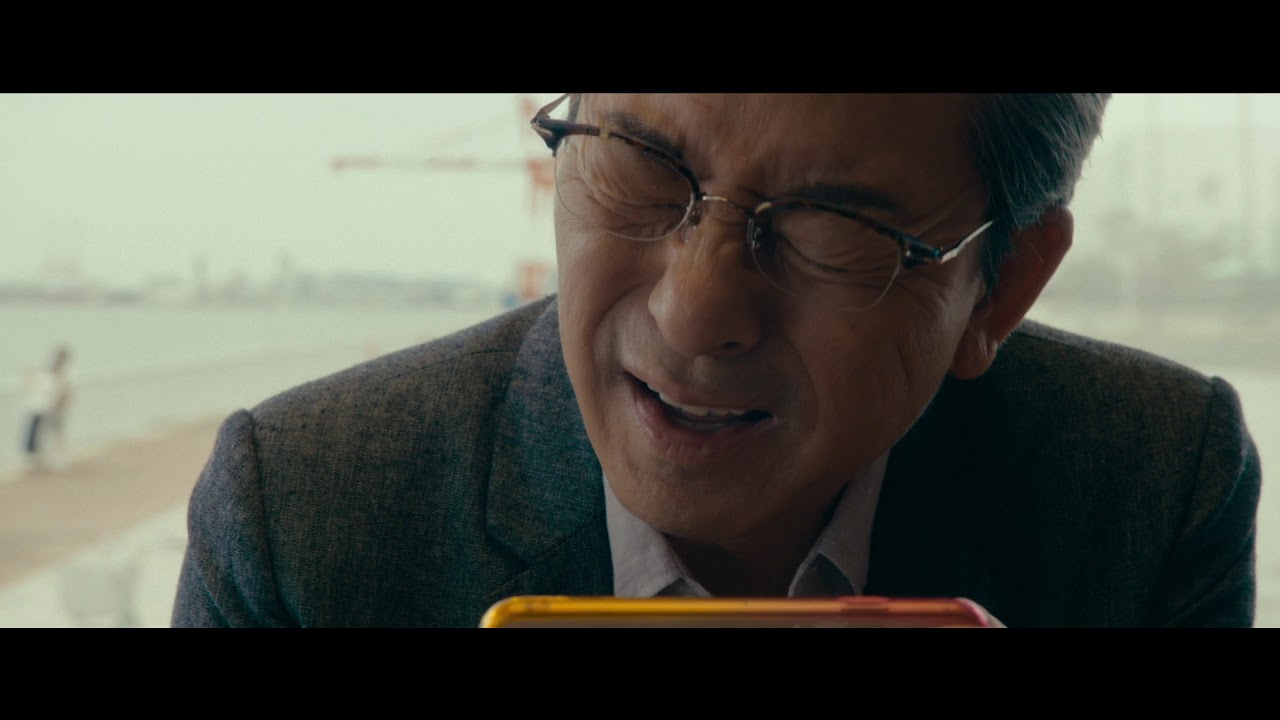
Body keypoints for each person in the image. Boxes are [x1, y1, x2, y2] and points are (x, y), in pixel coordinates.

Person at [171, 94, 1261, 628]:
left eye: (832, 227)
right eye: (641, 166)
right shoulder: (307, 518)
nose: (694, 314)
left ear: (1003, 288)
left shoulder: (1151, 483)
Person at [21, 345, 72, 473]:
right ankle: (49, 459)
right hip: (44, 409)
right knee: (47, 434)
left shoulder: (51, 375)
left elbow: (63, 394)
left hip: (45, 409)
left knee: (46, 434)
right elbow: (63, 394)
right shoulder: (54, 376)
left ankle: (48, 459)